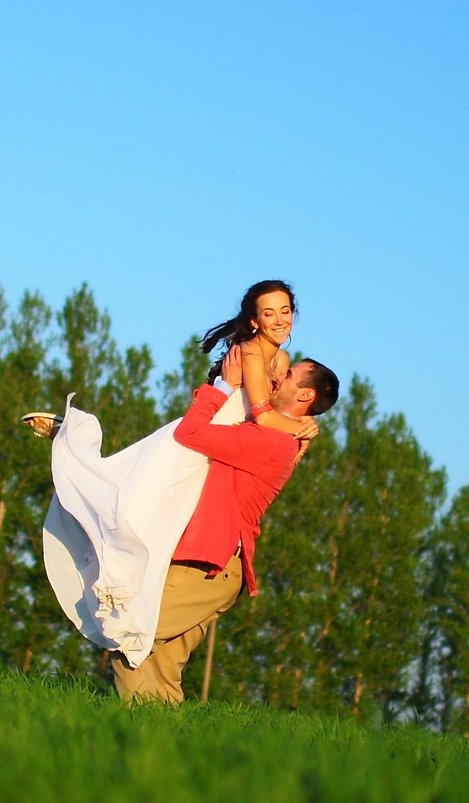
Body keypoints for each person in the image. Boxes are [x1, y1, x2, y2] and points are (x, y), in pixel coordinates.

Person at [30, 346, 339, 701]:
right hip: (216, 568)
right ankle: (169, 748)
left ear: (305, 394)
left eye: (287, 375)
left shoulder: (268, 439)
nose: (277, 378)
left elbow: (190, 433)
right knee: (160, 669)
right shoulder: (275, 434)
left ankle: (138, 742)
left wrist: (223, 387)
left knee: (127, 634)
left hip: (208, 566)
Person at [198, 280, 322, 441]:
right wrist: (303, 431)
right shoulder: (251, 352)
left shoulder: (281, 360)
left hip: (238, 441)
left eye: (285, 311)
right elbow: (264, 417)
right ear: (254, 321)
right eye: (269, 314)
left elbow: (277, 410)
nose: (279, 321)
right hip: (211, 438)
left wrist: (303, 421)